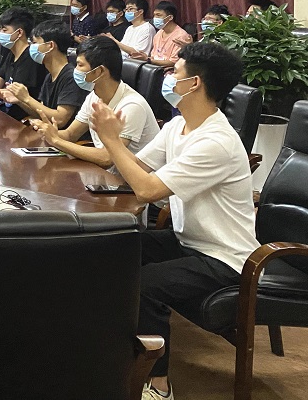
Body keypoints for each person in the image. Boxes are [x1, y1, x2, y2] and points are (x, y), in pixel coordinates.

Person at [91, 42, 258, 400]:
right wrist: (113, 146)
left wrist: (111, 140)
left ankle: (159, 385)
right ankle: (113, 350)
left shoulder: (216, 141)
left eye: (174, 72)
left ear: (194, 83)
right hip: (188, 241)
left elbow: (148, 190)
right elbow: (136, 169)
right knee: (112, 246)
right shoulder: (178, 125)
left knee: (144, 284)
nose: (167, 77)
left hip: (224, 258)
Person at [31, 36, 159, 167]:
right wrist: (49, 132)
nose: (75, 70)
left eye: (80, 65)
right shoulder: (94, 96)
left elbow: (108, 158)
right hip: (106, 174)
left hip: (130, 177)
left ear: (99, 71)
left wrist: (56, 141)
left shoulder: (132, 105)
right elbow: (70, 134)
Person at [2, 18, 86, 128]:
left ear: (50, 45)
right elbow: (41, 114)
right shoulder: (49, 76)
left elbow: (60, 120)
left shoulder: (71, 77)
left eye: (35, 43)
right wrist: (19, 100)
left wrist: (27, 98)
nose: (31, 47)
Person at [147, 1, 193, 68]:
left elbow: (173, 62)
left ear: (170, 17)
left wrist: (149, 61)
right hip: (154, 69)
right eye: (154, 15)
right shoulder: (159, 33)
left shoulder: (181, 36)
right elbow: (153, 56)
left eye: (158, 15)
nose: (155, 18)